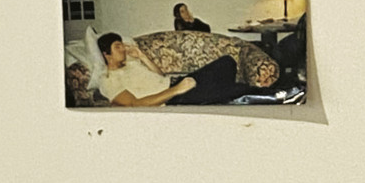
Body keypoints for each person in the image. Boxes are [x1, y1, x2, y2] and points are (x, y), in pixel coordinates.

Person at [96, 33, 250, 106]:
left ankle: (218, 96)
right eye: (118, 47)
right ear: (106, 54)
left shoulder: (131, 64)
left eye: (122, 45)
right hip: (173, 98)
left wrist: (142, 56)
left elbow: (160, 76)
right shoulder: (108, 80)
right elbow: (135, 104)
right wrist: (176, 90)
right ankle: (225, 94)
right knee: (237, 89)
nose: (123, 49)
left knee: (227, 62)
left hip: (176, 83)